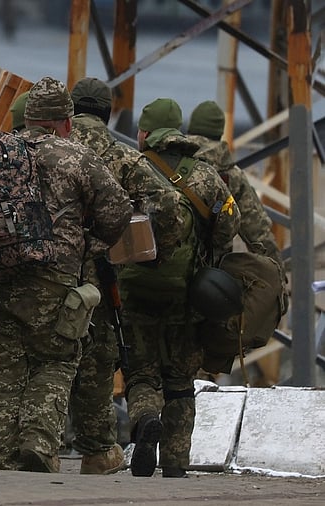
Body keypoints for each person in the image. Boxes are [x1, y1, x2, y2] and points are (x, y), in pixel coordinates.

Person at [0, 76, 132, 473]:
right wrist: (90, 245)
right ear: (66, 120)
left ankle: (1, 454)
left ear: (28, 118)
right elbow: (117, 211)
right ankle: (39, 443)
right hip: (53, 277)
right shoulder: (74, 155)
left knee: (6, 365)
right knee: (56, 358)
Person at [68, 77, 187, 474]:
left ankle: (30, 447)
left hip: (44, 268)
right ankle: (96, 450)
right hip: (101, 275)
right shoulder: (120, 156)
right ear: (108, 113)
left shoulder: (44, 150)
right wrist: (147, 253)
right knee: (98, 362)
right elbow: (168, 206)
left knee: (43, 359)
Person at [119, 98, 240, 478]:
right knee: (180, 382)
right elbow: (228, 227)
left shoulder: (129, 169)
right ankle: (175, 462)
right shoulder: (206, 175)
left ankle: (145, 419)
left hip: (136, 292)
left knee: (141, 373)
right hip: (188, 297)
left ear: (145, 133)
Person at [186, 100, 283, 267]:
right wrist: (278, 276)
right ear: (219, 134)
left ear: (190, 129)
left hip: (158, 271)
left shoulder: (168, 161)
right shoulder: (231, 175)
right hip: (209, 277)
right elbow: (258, 234)